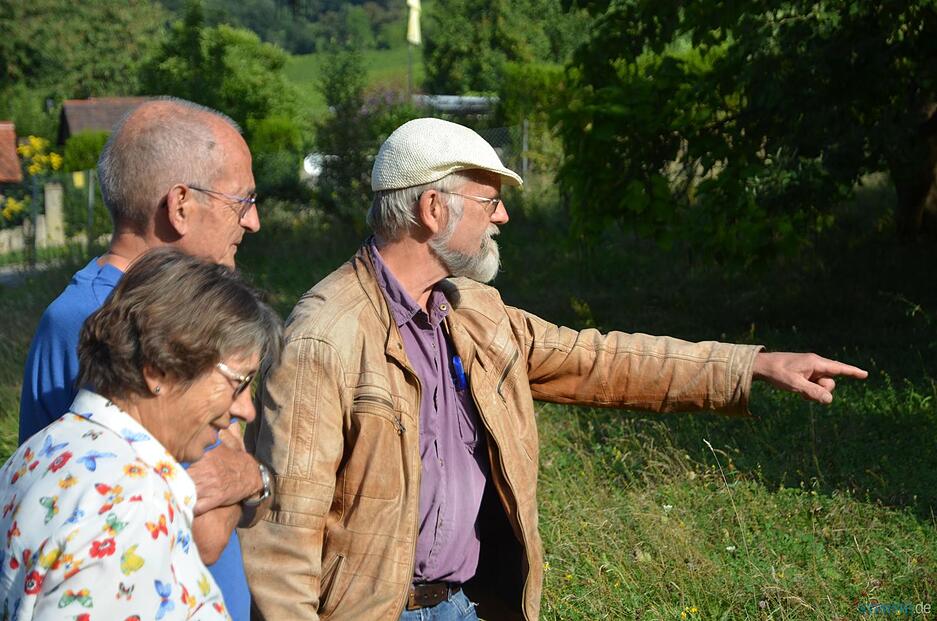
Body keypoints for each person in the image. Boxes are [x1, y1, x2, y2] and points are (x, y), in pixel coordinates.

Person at [241, 118, 868, 620]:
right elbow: (283, 533)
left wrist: (751, 364)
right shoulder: (326, 337)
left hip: (469, 605)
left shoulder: (474, 312)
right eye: (489, 202)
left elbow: (599, 360)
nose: (502, 218)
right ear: (432, 209)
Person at [17, 98, 270, 620]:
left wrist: (248, 477)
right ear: (179, 205)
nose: (254, 222)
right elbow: (205, 533)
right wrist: (258, 477)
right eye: (242, 200)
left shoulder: (77, 310)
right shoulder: (114, 321)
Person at [0, 248, 282, 620]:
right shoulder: (132, 505)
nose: (246, 409)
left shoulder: (39, 452)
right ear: (159, 369)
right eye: (238, 382)